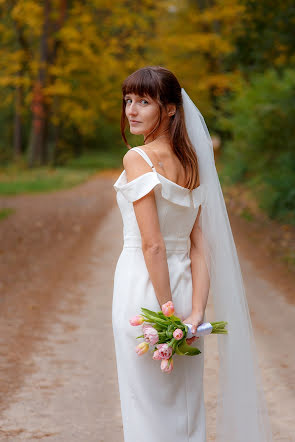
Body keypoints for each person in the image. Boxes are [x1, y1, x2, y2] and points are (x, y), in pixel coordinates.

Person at [112, 66, 273, 442]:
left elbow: (152, 245)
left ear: (169, 109)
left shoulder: (138, 158)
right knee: (186, 403)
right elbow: (200, 245)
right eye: (128, 101)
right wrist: (195, 312)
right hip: (185, 288)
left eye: (143, 101)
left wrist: (165, 314)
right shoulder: (193, 163)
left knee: (146, 403)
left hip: (145, 289)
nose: (131, 110)